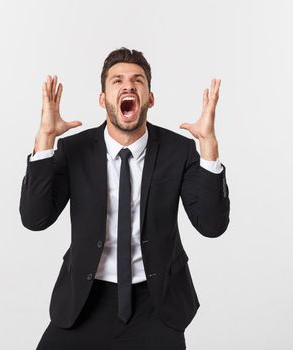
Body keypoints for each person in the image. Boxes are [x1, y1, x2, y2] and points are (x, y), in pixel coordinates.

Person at [20, 47, 230, 350]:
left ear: (150, 98)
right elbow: (34, 219)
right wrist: (44, 141)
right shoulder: (74, 150)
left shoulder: (178, 151)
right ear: (103, 100)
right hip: (85, 299)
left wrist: (209, 148)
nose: (128, 86)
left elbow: (211, 225)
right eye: (117, 81)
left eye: (138, 80)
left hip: (156, 303)